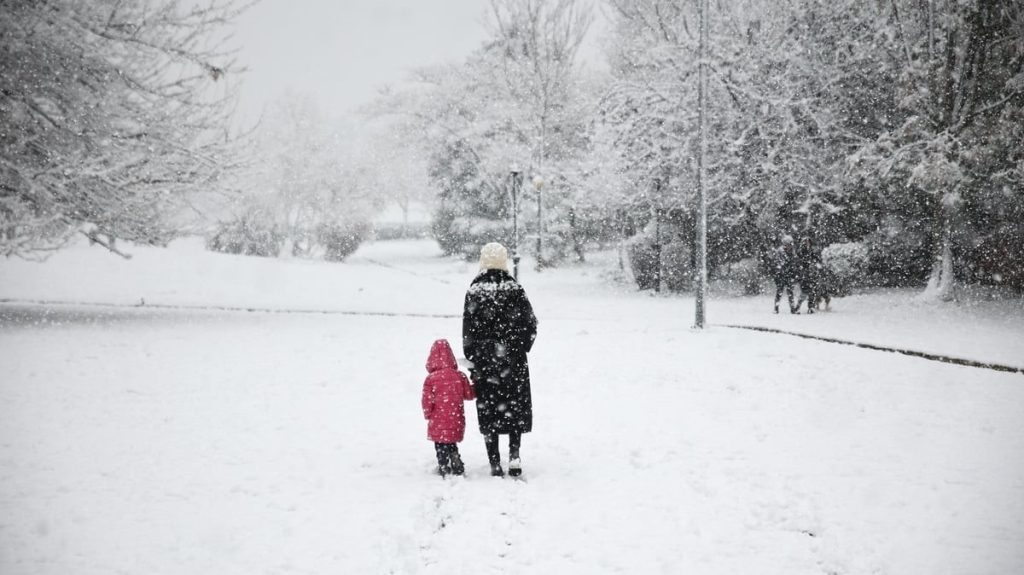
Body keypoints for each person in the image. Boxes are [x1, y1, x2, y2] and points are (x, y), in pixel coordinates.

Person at [462, 242, 538, 477]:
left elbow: (468, 331)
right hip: (513, 359)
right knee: (513, 407)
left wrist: (473, 356)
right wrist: (521, 346)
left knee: (489, 408)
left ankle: (494, 461)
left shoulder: (474, 291)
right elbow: (530, 324)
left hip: (486, 362)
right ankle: (514, 455)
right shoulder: (515, 289)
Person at [421, 339, 475, 477]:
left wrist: (428, 414)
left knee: (440, 443)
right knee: (450, 440)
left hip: (438, 418)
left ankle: (444, 465)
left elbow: (427, 400)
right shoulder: (459, 376)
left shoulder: (431, 379)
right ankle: (455, 458)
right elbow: (469, 395)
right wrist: (476, 381)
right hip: (455, 417)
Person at [771, 235, 799, 314]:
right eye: (787, 244)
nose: (789, 245)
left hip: (790, 275)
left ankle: (792, 308)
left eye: (790, 244)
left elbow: (795, 262)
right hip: (781, 275)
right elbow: (777, 263)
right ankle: (776, 308)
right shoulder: (780, 251)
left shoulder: (793, 252)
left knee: (790, 293)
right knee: (779, 292)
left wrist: (794, 271)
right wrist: (780, 270)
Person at [796, 236, 823, 314]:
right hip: (804, 274)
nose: (808, 243)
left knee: (812, 291)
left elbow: (816, 259)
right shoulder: (801, 252)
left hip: (811, 274)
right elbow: (799, 262)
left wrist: (816, 263)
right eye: (806, 242)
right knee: (804, 292)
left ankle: (810, 307)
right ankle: (798, 307)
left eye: (809, 242)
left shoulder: (811, 251)